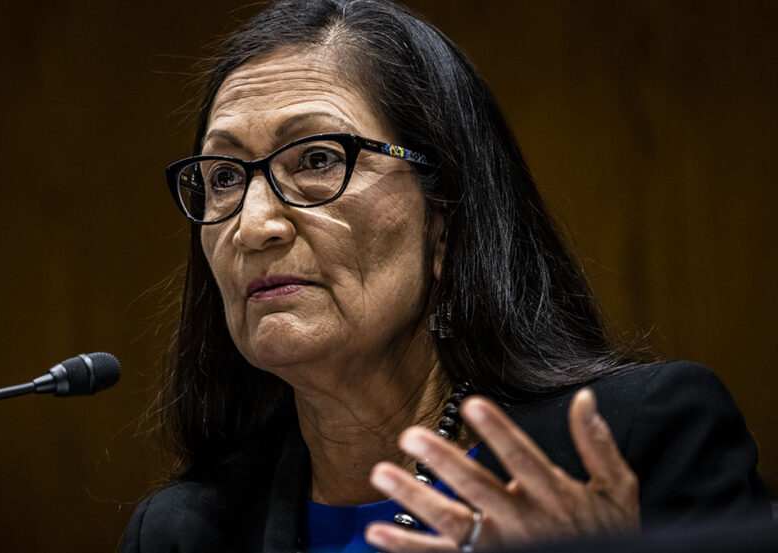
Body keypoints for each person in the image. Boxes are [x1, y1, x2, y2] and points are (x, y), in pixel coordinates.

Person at [122, 1, 771, 551]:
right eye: (225, 177)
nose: (253, 224)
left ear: (446, 219)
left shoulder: (638, 441)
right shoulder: (185, 531)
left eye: (317, 158)